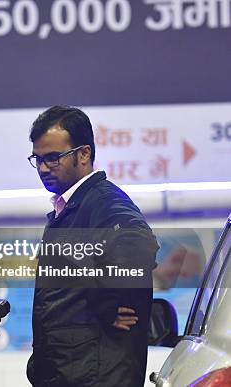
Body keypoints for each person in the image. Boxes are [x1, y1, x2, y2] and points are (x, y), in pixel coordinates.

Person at [26, 106, 159, 386]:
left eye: (53, 158)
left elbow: (139, 245)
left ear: (84, 154)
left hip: (95, 376)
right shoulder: (73, 206)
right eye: (37, 159)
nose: (43, 168)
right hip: (71, 372)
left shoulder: (105, 203)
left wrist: (106, 303)